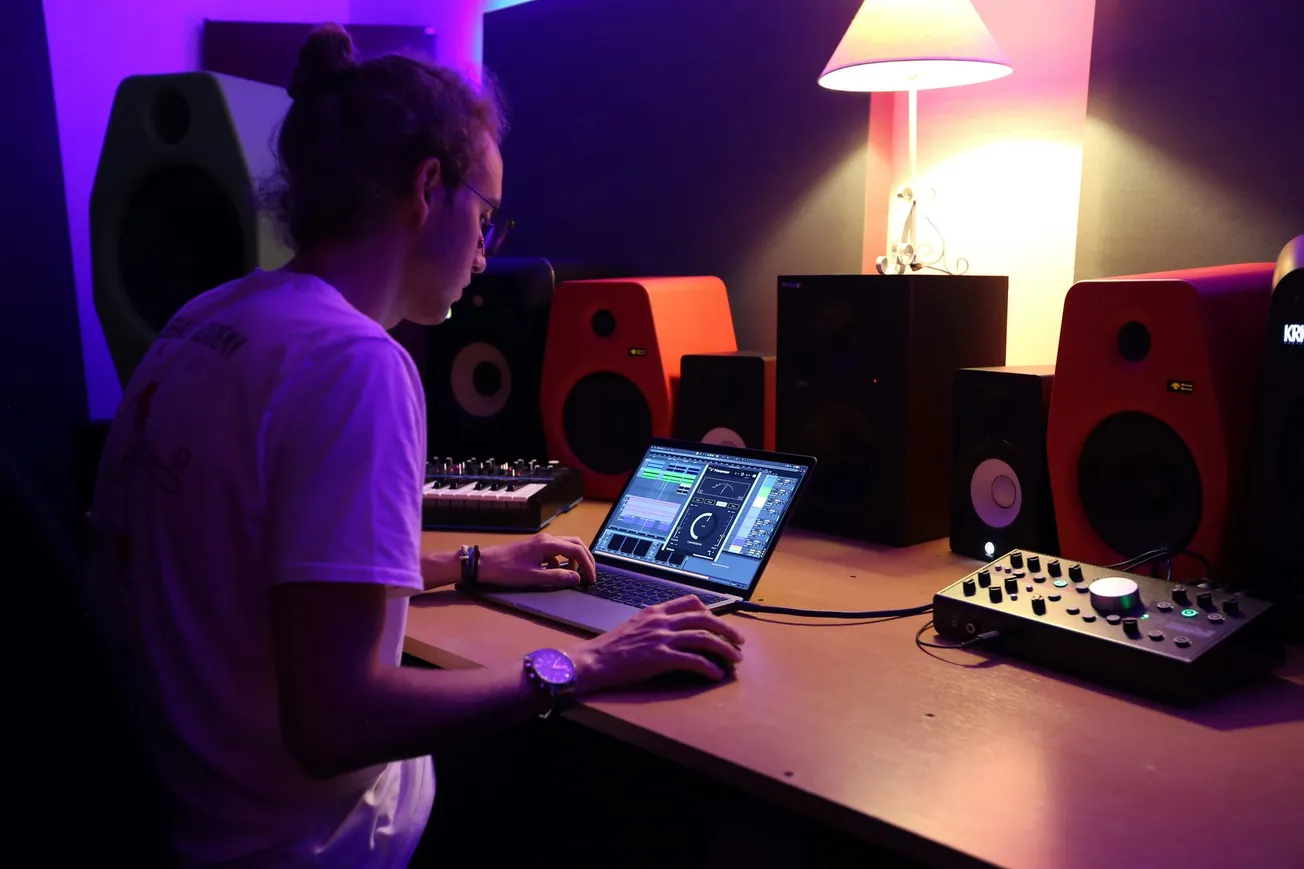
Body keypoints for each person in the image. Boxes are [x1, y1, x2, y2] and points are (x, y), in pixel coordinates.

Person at [86, 22, 745, 869]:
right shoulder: (356, 363)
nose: (484, 249)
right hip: (306, 844)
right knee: (634, 796)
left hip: (184, 810)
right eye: (488, 216)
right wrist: (586, 662)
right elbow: (339, 722)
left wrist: (462, 565)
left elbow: (249, 565)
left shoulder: (209, 319)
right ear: (428, 187)